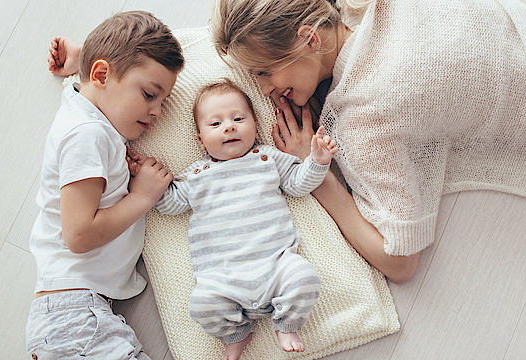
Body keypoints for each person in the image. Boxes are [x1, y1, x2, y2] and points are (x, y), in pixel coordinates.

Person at [209, 0, 526, 284]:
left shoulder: (365, 117)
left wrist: (314, 172)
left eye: (264, 72)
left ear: (310, 38)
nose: (263, 90)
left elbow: (400, 263)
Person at [27, 11, 184, 359]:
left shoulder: (84, 111)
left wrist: (79, 60)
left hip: (76, 314)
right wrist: (142, 196)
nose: (157, 111)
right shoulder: (86, 134)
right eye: (148, 95)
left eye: (163, 102)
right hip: (75, 316)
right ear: (100, 75)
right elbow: (79, 235)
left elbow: (97, 80)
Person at [154, 80, 338, 360]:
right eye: (215, 124)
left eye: (238, 119)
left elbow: (299, 184)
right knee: (201, 304)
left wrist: (317, 161)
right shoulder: (196, 175)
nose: (228, 127)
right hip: (222, 279)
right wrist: (146, 184)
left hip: (276, 265)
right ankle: (237, 334)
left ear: (254, 125)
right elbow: (168, 204)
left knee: (305, 276)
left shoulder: (267, 158)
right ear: (201, 140)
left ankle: (287, 324)